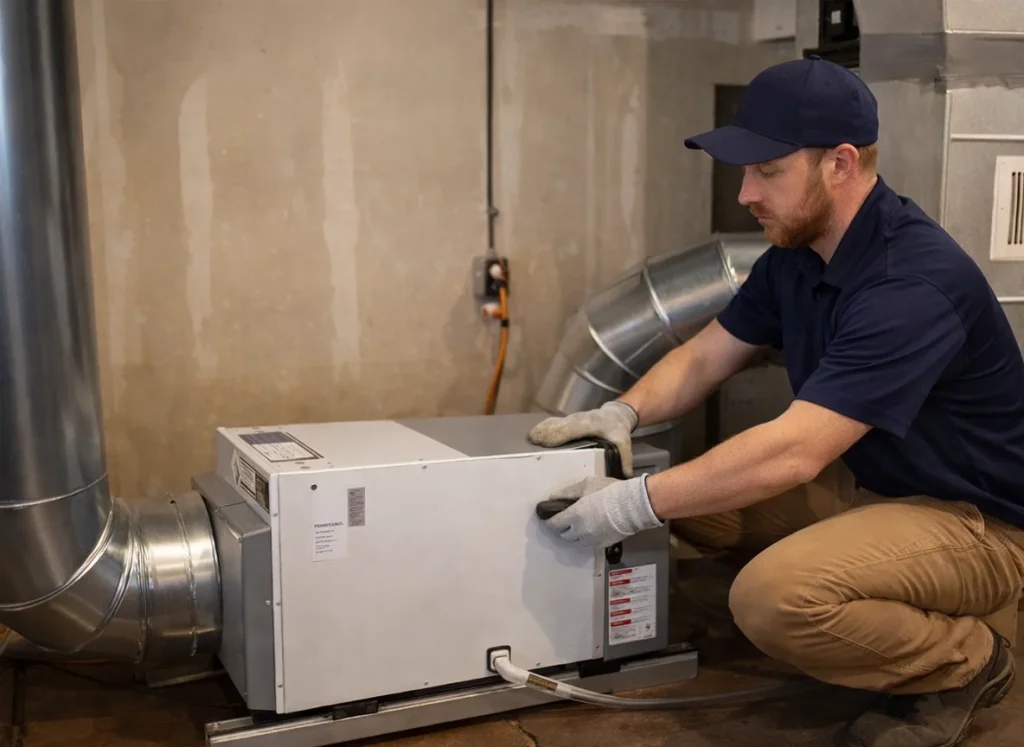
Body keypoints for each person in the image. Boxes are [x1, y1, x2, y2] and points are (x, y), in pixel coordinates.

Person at [527, 55, 1024, 747]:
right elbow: (707, 352)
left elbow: (796, 452)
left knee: (771, 597)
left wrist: (631, 501)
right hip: (876, 488)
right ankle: (860, 612)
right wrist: (622, 413)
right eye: (745, 171)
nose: (744, 194)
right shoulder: (798, 253)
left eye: (767, 171)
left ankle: (969, 660)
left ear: (840, 164)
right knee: (706, 501)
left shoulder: (910, 284)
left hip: (980, 527)